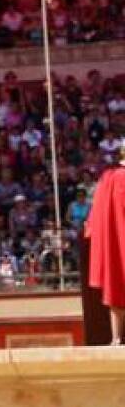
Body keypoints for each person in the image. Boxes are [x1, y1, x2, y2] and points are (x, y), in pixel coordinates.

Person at [84, 147, 125, 344]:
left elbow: (95, 216)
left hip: (116, 243)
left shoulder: (107, 179)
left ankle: (116, 338)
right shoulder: (116, 178)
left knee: (115, 285)